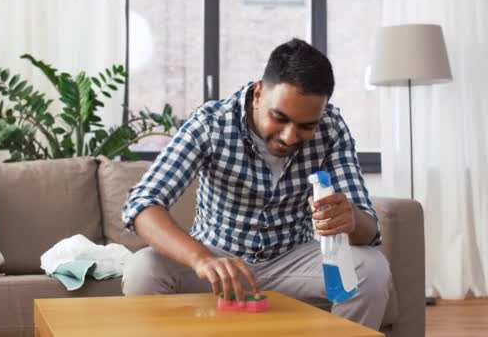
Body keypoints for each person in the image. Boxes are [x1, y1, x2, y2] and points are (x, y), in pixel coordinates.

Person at [121, 38, 391, 330]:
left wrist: (351, 218)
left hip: (292, 261)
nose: (289, 137)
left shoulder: (332, 128)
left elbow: (370, 230)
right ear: (259, 93)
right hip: (216, 257)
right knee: (143, 269)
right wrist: (202, 259)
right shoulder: (211, 123)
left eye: (306, 126)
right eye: (280, 118)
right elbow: (142, 204)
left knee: (371, 269)